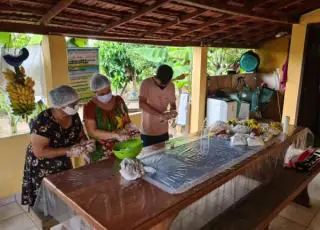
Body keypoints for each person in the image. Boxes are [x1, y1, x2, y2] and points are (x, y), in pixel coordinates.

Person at [21, 85, 95, 207]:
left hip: (63, 161)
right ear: (60, 106)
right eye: (73, 104)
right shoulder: (44, 120)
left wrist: (85, 145)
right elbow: (39, 152)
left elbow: (80, 135)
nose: (76, 106)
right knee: (47, 204)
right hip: (42, 166)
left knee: (65, 197)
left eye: (77, 102)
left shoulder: (73, 115)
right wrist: (69, 151)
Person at [84, 73, 139, 161]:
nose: (106, 95)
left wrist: (131, 128)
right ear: (95, 92)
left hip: (124, 147)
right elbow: (92, 132)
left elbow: (126, 120)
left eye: (108, 91)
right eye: (102, 93)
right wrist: (115, 135)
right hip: (102, 152)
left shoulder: (118, 101)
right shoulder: (90, 107)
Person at [139, 64, 177, 147]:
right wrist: (160, 115)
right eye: (160, 84)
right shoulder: (146, 83)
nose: (163, 86)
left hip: (163, 130)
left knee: (163, 155)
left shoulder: (171, 85)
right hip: (148, 131)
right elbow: (141, 104)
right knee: (148, 157)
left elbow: (173, 104)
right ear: (156, 76)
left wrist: (172, 112)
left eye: (166, 84)